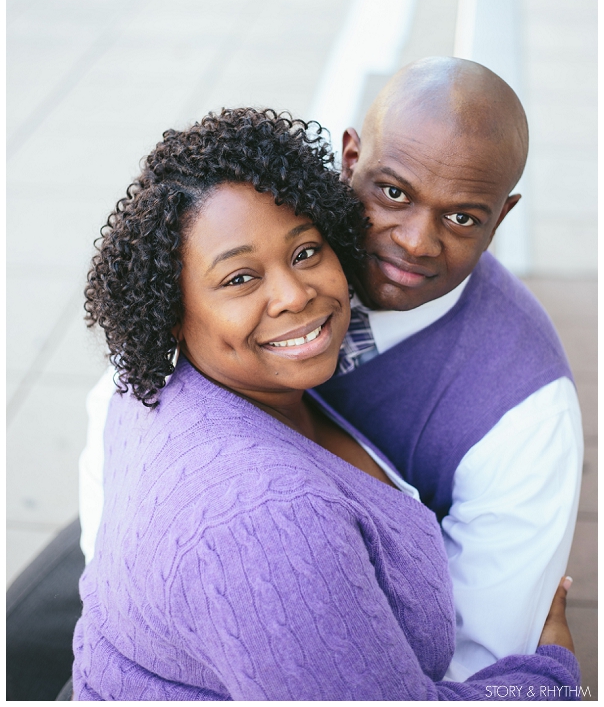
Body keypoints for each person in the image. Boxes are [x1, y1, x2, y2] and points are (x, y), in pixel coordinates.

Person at [73, 108, 579, 700]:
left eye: (306, 252)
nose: (294, 295)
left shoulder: (225, 385)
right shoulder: (262, 525)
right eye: (239, 279)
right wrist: (549, 676)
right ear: (172, 311)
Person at [315, 56, 583, 679]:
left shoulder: (527, 415)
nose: (415, 241)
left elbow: (476, 667)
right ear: (350, 158)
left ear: (501, 219)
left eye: (462, 217)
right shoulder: (270, 240)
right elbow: (125, 397)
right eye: (393, 192)